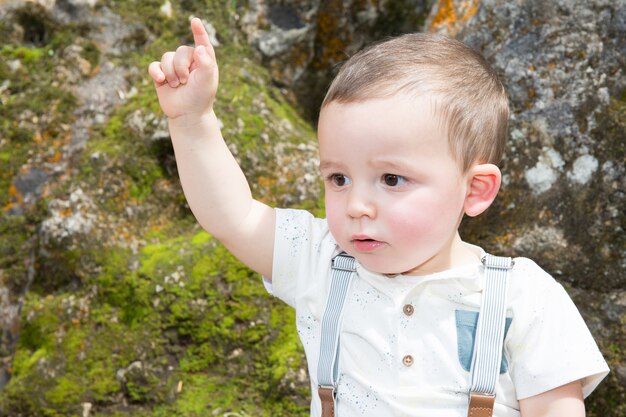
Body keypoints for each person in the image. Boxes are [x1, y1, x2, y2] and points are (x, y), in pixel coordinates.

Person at [148, 17, 609, 417]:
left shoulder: (523, 297)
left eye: (391, 179)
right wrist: (192, 121)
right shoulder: (323, 262)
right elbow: (234, 218)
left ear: (475, 189)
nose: (356, 206)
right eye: (338, 178)